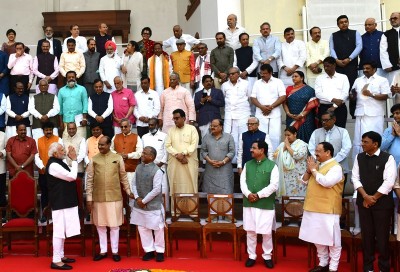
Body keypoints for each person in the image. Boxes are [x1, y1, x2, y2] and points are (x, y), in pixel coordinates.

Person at [352, 131, 397, 272]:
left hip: (382, 205)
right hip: (364, 203)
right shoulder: (359, 157)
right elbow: (355, 178)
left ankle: (384, 267)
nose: (362, 144)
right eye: (362, 141)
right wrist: (365, 197)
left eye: (365, 142)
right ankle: (368, 267)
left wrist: (373, 198)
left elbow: (389, 182)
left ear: (375, 144)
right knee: (367, 237)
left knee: (383, 237)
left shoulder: (388, 158)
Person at [86, 136, 134, 262]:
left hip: (115, 197)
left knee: (114, 226)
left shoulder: (117, 158)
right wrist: (89, 199)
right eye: (99, 145)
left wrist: (128, 191)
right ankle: (103, 251)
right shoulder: (94, 159)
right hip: (98, 197)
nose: (100, 147)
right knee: (100, 225)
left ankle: (115, 251)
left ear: (109, 145)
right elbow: (89, 180)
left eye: (103, 145)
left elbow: (123, 176)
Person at [299, 142, 344, 272]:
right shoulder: (316, 165)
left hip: (328, 209)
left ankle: (333, 267)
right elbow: (303, 181)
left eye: (318, 151)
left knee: (333, 240)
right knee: (317, 237)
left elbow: (327, 182)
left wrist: (313, 170)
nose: (315, 153)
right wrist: (309, 170)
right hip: (312, 207)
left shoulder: (336, 167)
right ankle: (323, 263)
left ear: (328, 152)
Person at [240, 140, 278, 269]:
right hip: (249, 202)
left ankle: (267, 256)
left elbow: (274, 185)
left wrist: (258, 195)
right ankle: (251, 256)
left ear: (262, 150)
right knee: (250, 231)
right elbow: (242, 182)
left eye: (254, 148)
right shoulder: (247, 164)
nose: (251, 150)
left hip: (265, 204)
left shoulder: (272, 166)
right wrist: (248, 194)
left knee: (266, 232)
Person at [46, 143, 80, 270]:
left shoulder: (58, 162)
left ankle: (61, 255)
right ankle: (55, 260)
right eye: (61, 150)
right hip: (60, 202)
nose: (64, 151)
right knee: (59, 231)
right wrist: (75, 160)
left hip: (65, 200)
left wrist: (71, 160)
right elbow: (71, 177)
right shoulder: (54, 165)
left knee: (63, 230)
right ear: (55, 153)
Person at [130, 146, 165, 262]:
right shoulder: (138, 167)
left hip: (152, 205)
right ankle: (149, 250)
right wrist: (137, 198)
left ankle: (160, 251)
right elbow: (133, 184)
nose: (142, 155)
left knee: (158, 228)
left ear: (151, 157)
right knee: (142, 227)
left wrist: (143, 201)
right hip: (139, 204)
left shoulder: (157, 170)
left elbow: (156, 190)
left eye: (145, 153)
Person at [350, 62, 390, 160]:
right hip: (361, 114)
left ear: (374, 69)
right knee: (359, 141)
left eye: (368, 68)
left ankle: (376, 161)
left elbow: (385, 96)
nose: (365, 70)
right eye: (364, 68)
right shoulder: (358, 80)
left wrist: (371, 94)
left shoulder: (382, 80)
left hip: (375, 115)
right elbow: (352, 96)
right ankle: (360, 163)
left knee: (374, 139)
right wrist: (353, 96)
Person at [165, 109, 199, 213]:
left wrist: (183, 153)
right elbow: (167, 145)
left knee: (191, 186)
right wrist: (177, 155)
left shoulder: (192, 129)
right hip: (175, 163)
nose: (175, 120)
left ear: (184, 118)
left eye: (177, 118)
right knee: (175, 186)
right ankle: (176, 212)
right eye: (174, 118)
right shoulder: (171, 130)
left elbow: (194, 144)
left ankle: (193, 212)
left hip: (189, 162)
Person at [308, 111, 352, 190]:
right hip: (320, 168)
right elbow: (311, 148)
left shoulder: (343, 132)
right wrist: (320, 159)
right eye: (322, 120)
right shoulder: (316, 132)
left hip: (339, 167)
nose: (324, 122)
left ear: (334, 120)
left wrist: (332, 162)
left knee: (338, 195)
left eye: (326, 120)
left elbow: (346, 148)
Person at [330, 15, 362, 118]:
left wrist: (350, 58)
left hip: (351, 65)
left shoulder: (355, 33)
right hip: (338, 66)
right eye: (341, 22)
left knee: (352, 89)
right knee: (339, 89)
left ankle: (353, 113)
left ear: (348, 22)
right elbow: (331, 49)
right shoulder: (333, 35)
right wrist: (336, 60)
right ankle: (338, 112)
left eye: (345, 21)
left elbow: (359, 46)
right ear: (338, 25)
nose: (344, 23)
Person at [251, 63, 286, 152]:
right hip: (261, 113)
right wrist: (262, 107)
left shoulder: (278, 81)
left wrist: (270, 107)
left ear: (271, 73)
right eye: (261, 73)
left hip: (274, 113)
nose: (262, 75)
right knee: (261, 137)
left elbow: (282, 97)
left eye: (264, 73)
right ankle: (262, 156)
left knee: (275, 136)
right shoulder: (257, 83)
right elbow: (253, 98)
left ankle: (274, 158)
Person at [35, 121, 63, 222]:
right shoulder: (38, 141)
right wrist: (42, 167)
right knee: (44, 194)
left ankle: (56, 215)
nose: (48, 132)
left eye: (50, 130)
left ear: (52, 130)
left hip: (55, 173)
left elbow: (61, 155)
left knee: (56, 193)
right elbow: (36, 156)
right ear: (43, 131)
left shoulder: (58, 140)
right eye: (46, 130)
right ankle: (44, 214)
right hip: (43, 173)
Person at [222, 67, 251, 161]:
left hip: (243, 114)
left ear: (238, 74)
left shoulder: (246, 84)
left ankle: (242, 161)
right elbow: (224, 97)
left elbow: (250, 97)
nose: (231, 75)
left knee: (243, 138)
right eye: (229, 74)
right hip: (229, 115)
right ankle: (232, 161)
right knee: (230, 138)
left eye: (233, 73)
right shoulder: (225, 85)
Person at [201, 119, 235, 194]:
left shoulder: (229, 137)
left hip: (225, 171)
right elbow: (203, 151)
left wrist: (223, 162)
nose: (212, 127)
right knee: (210, 195)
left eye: (215, 126)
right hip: (210, 170)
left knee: (226, 194)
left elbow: (232, 152)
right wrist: (209, 161)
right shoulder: (206, 137)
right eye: (211, 126)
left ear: (221, 127)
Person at [283, 71, 318, 143]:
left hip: (306, 119)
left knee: (307, 138)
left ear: (302, 78)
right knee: (291, 137)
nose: (293, 78)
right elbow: (284, 103)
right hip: (291, 118)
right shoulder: (288, 89)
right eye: (292, 76)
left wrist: (302, 115)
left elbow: (311, 105)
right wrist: (288, 113)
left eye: (296, 76)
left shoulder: (309, 90)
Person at [141, 118, 169, 210]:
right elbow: (143, 153)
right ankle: (150, 211)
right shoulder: (144, 137)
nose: (150, 127)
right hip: (148, 168)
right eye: (149, 125)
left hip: (160, 167)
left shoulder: (164, 136)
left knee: (163, 189)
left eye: (152, 125)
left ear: (157, 125)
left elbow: (166, 152)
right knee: (149, 189)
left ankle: (164, 211)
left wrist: (159, 164)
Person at [315, 56, 349, 128]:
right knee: (324, 131)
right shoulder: (319, 78)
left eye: (328, 66)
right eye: (324, 66)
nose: (326, 68)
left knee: (340, 130)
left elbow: (345, 94)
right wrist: (333, 99)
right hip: (324, 108)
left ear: (334, 65)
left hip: (339, 108)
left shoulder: (343, 77)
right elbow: (318, 94)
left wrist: (334, 107)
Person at [274, 126, 308, 197]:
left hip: (297, 175)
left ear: (295, 134)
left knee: (298, 198)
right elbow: (275, 156)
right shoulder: (282, 145)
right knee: (286, 198)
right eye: (285, 135)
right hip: (285, 177)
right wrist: (283, 148)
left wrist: (288, 147)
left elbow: (298, 156)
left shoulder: (302, 144)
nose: (286, 137)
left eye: (288, 135)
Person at [111, 118, 143, 184]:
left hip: (131, 169)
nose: (123, 128)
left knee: (130, 190)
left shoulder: (136, 137)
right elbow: (110, 150)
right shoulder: (115, 136)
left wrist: (128, 156)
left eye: (125, 126)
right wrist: (117, 154)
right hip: (117, 169)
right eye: (121, 127)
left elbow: (139, 153)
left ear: (130, 126)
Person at [58, 70, 88, 138]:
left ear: (75, 78)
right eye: (69, 77)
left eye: (73, 77)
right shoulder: (61, 91)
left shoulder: (82, 89)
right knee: (67, 141)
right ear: (66, 78)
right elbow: (60, 108)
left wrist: (84, 118)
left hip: (79, 121)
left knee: (81, 140)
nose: (71, 78)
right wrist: (61, 123)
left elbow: (85, 104)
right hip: (66, 120)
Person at [234, 32, 258, 112]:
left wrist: (246, 72)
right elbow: (235, 64)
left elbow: (255, 62)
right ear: (240, 41)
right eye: (243, 39)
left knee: (252, 96)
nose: (245, 41)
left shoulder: (253, 49)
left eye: (246, 39)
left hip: (251, 77)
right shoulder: (236, 51)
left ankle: (253, 115)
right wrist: (241, 73)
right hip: (240, 77)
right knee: (242, 96)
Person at [380, 12, 400, 97]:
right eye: (391, 19)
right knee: (395, 92)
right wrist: (387, 65)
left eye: (395, 18)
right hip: (394, 68)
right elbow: (383, 50)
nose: (392, 20)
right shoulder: (386, 34)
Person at [0, 130, 6, 222]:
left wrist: (2, 153)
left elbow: (7, 148)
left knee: (1, 192)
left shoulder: (3, 135)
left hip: (1, 168)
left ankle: (3, 217)